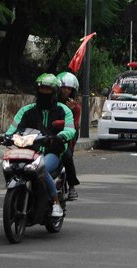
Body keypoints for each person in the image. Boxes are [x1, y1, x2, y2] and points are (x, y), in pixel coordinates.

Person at [0, 73, 75, 217]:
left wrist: (60, 136)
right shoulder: (26, 110)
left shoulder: (63, 110)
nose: (44, 92)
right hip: (28, 151)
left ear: (55, 92)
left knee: (41, 168)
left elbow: (70, 129)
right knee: (10, 166)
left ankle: (56, 203)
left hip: (52, 152)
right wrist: (5, 137)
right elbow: (13, 128)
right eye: (42, 89)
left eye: (48, 90)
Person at [56, 71, 81, 200]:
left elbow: (74, 125)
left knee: (67, 155)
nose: (65, 91)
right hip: (49, 132)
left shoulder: (75, 107)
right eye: (63, 88)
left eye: (69, 88)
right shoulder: (51, 104)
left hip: (69, 134)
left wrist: (69, 111)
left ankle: (72, 186)